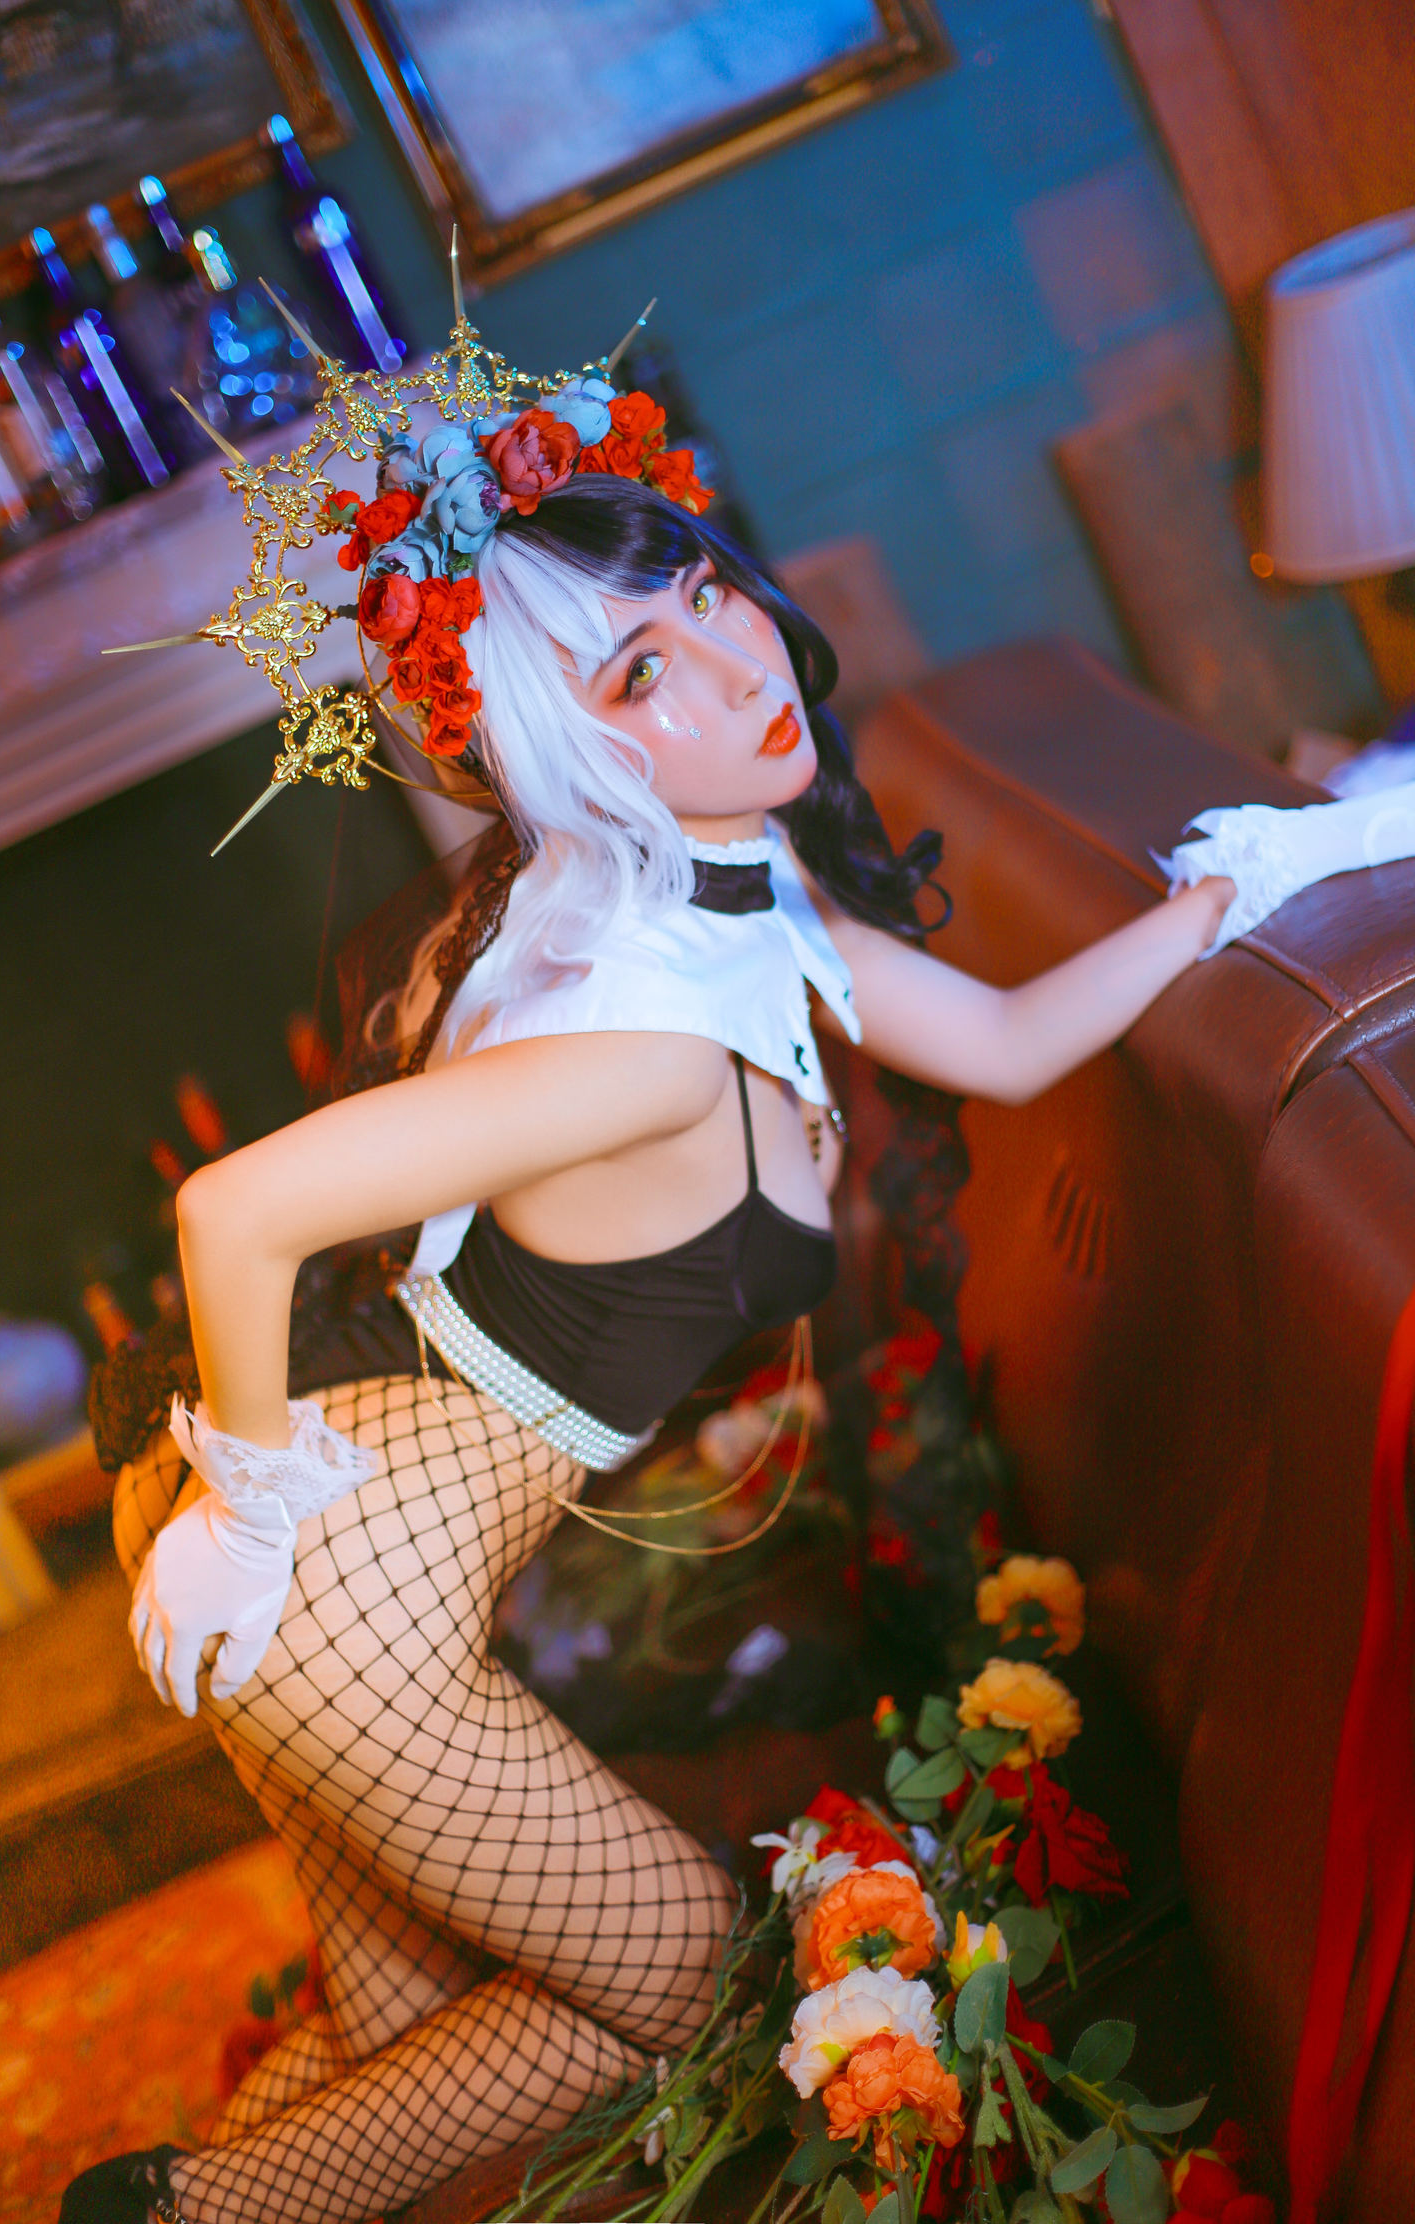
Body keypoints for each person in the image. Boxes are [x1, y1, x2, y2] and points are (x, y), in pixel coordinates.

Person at [85, 376, 1402, 2222]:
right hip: (337, 1584)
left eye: (704, 593)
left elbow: (1007, 1041)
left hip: (358, 1564)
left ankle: (176, 2204)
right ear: (561, 742)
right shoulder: (642, 1033)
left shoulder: (726, 903)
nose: (735, 660)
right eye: (641, 669)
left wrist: (1264, 870)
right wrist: (246, 1509)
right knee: (692, 1982)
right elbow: (233, 1211)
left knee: (401, 2063)